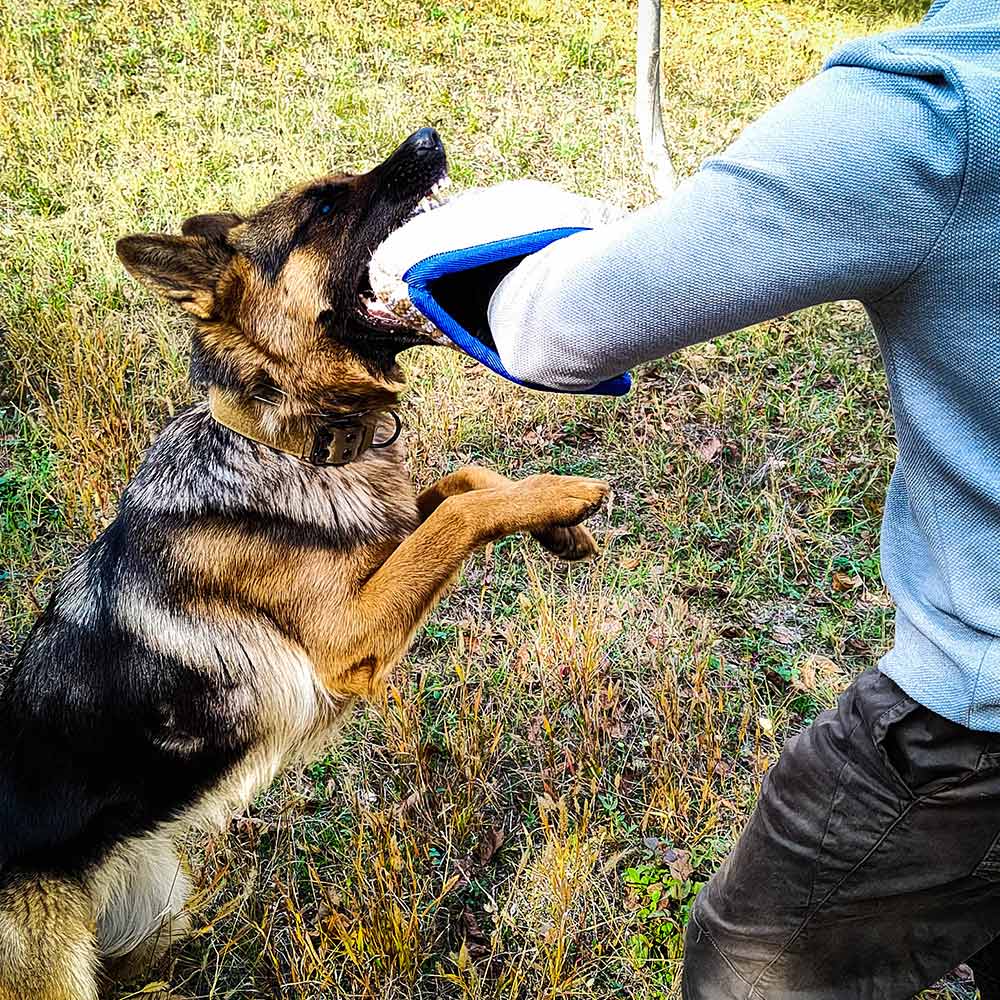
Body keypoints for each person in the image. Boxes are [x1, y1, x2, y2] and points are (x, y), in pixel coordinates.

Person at [486, 1, 1000, 996]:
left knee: (749, 968)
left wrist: (435, 262)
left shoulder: (937, 109)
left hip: (971, 734)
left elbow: (564, 328)